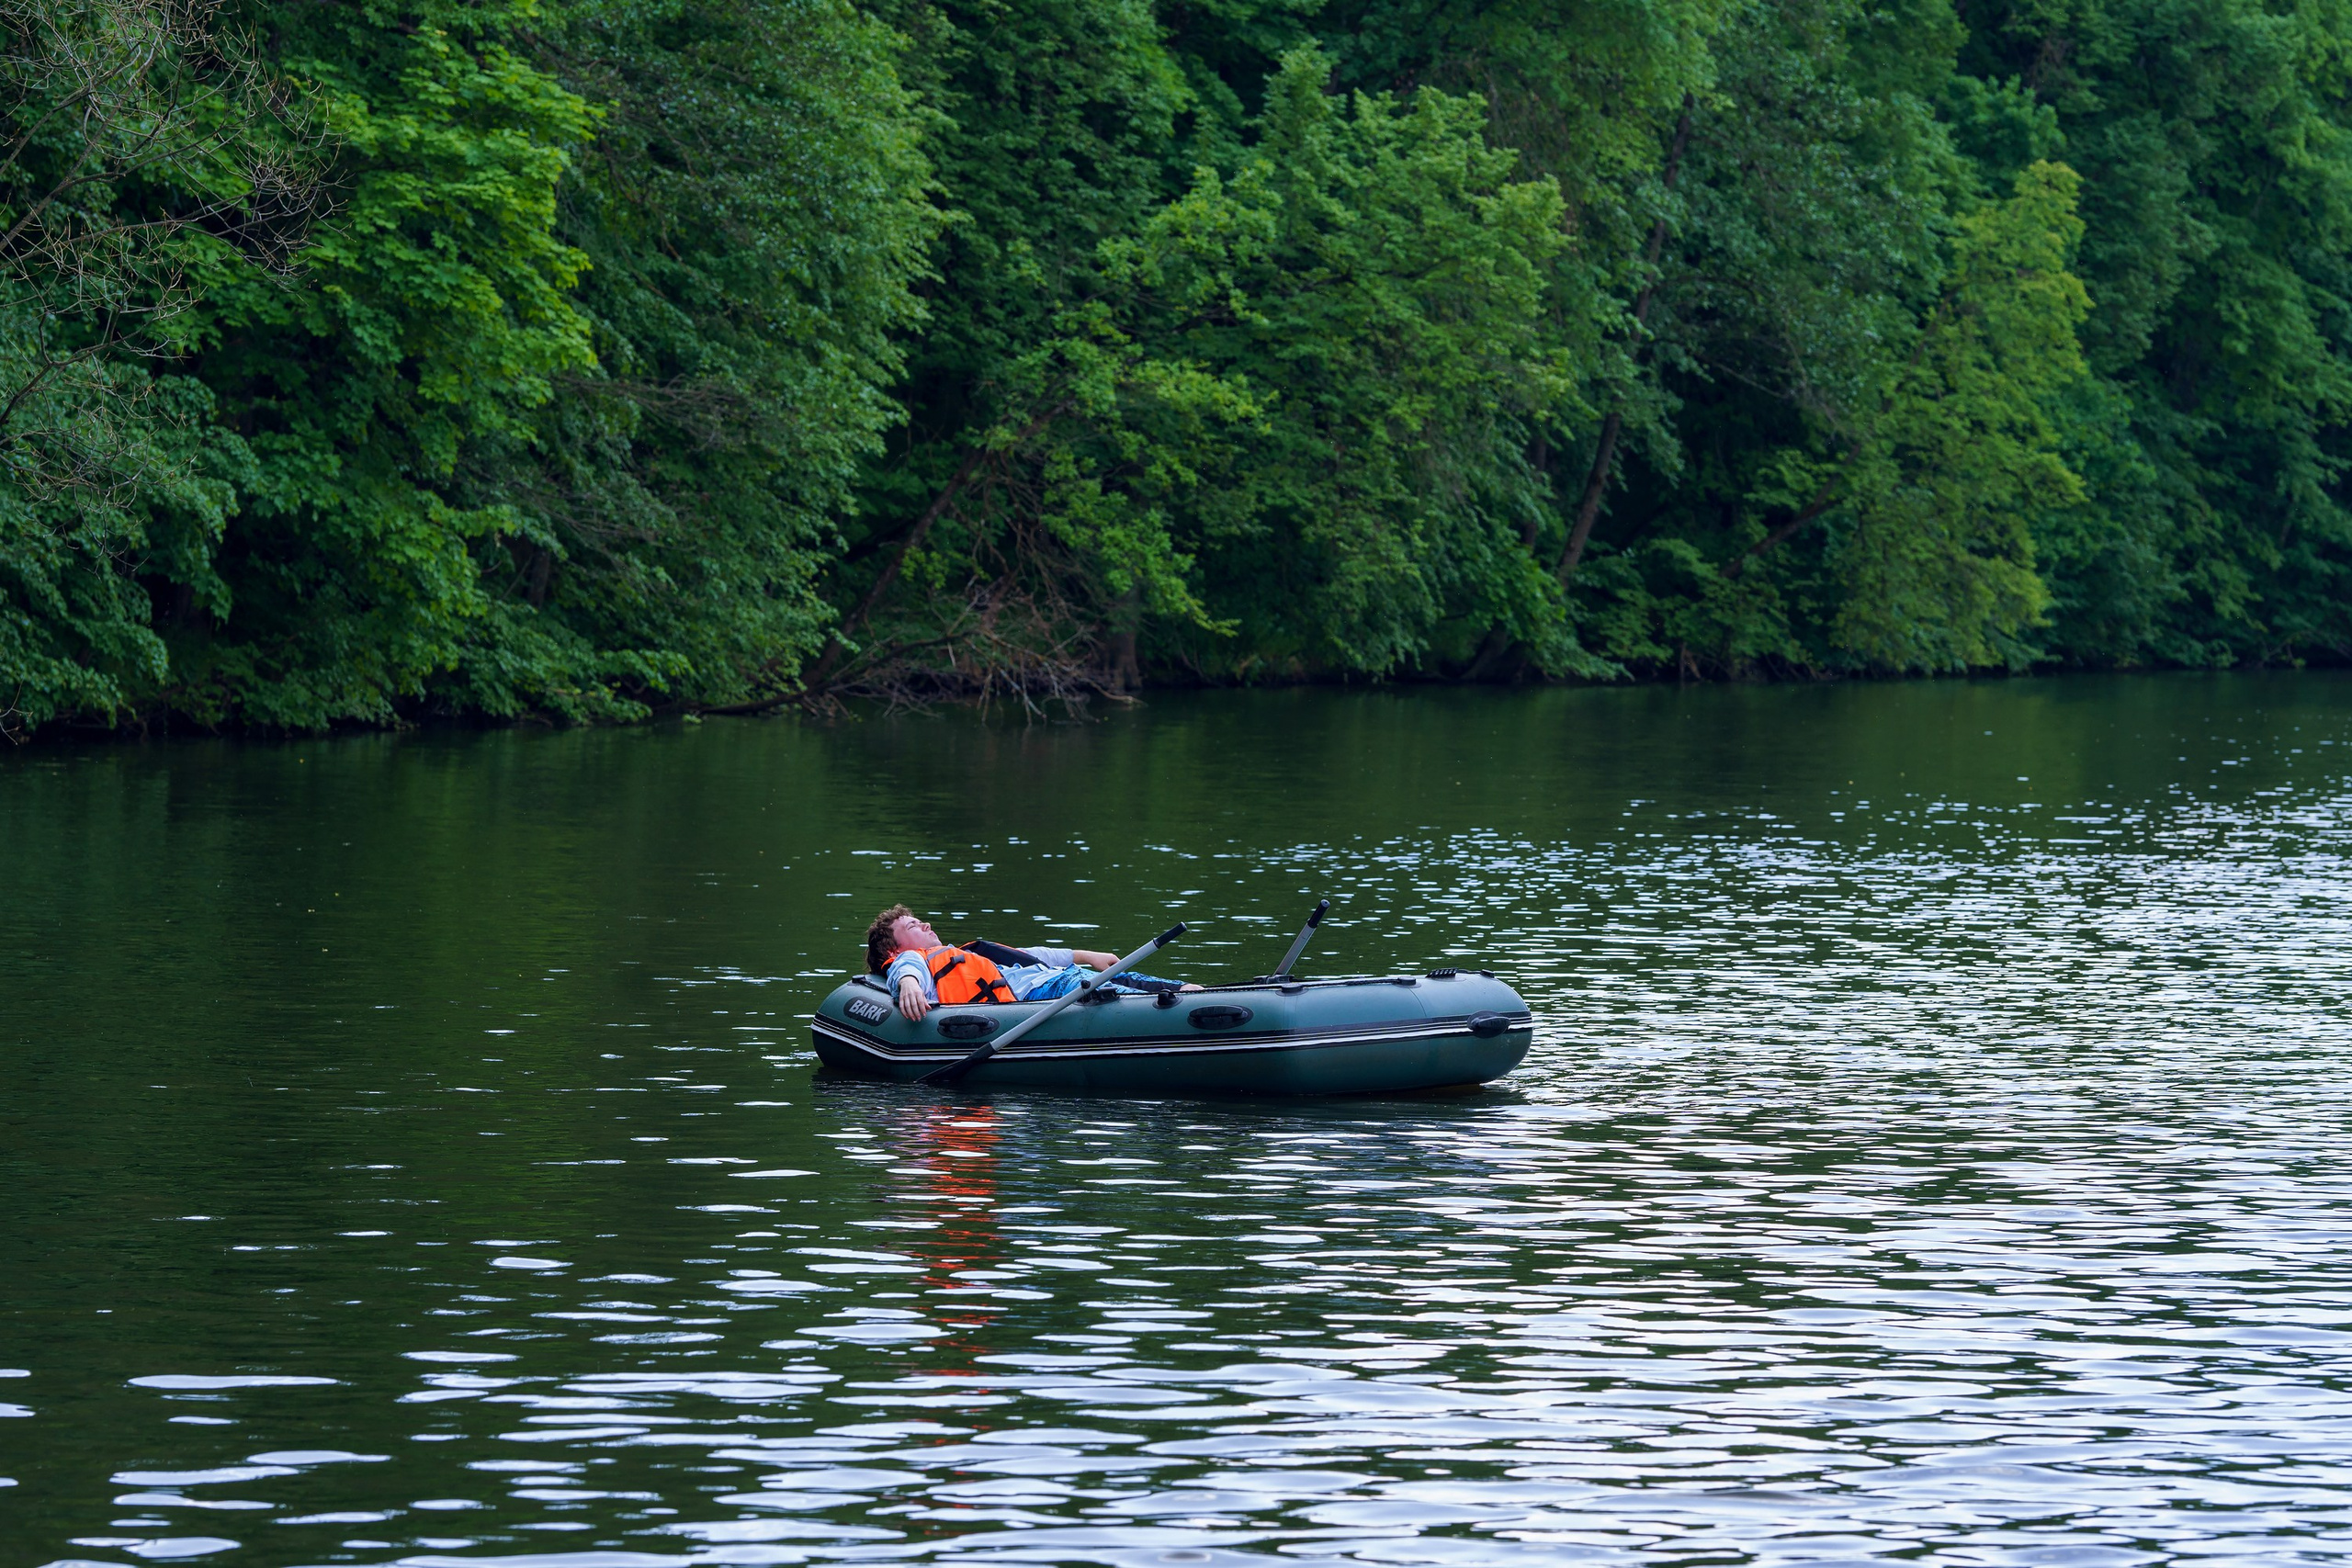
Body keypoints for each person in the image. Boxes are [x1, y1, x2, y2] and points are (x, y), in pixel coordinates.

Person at [865, 905, 1199, 1022]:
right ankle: (1177, 1008)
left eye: (921, 920)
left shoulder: (963, 952)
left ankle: (1188, 994)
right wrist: (907, 983)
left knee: (1130, 977)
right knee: (1112, 992)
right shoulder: (911, 960)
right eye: (912, 927)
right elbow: (905, 971)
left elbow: (1028, 954)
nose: (924, 925)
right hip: (1041, 993)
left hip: (1056, 976)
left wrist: (1085, 955)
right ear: (894, 950)